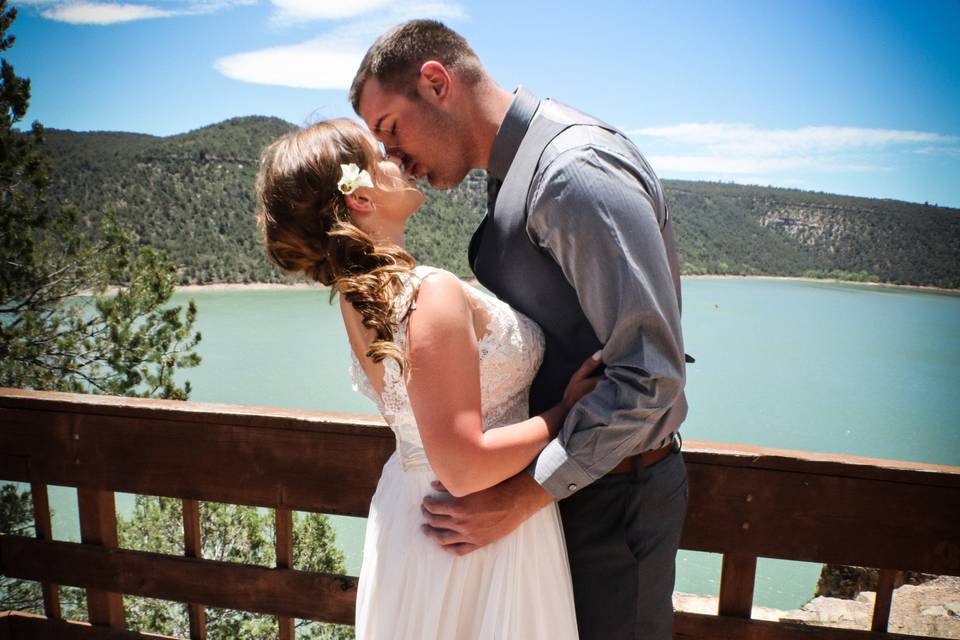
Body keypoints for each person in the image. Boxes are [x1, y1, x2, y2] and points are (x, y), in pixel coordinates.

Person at [349, 20, 690, 640]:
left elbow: (651, 375)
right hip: (559, 496)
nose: (390, 155)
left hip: (610, 502)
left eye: (390, 129)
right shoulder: (514, 174)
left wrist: (521, 498)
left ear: (435, 81)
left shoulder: (573, 173)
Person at [255, 119, 597, 638]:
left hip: (413, 522)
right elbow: (463, 466)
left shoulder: (357, 300)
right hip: (473, 530)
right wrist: (566, 411)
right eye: (381, 154)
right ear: (361, 198)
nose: (398, 156)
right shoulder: (428, 293)